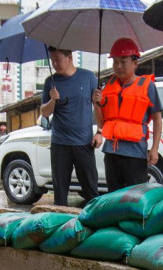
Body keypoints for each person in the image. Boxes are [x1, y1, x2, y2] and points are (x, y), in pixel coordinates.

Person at [93, 38, 163, 192]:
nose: (118, 66)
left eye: (123, 62)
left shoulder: (147, 86)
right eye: (115, 62)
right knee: (114, 198)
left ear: (135, 63)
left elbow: (158, 119)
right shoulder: (107, 88)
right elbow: (102, 124)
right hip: (111, 153)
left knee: (136, 198)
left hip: (135, 154)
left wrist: (154, 148)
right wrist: (96, 104)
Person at [41, 46, 102, 206]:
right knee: (60, 193)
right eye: (52, 60)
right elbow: (44, 113)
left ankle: (92, 226)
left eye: (58, 59)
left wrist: (100, 132)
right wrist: (52, 100)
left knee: (91, 191)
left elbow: (98, 107)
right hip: (60, 144)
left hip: (84, 142)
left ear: (70, 57)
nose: (54, 64)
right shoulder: (50, 82)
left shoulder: (88, 77)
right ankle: (60, 226)